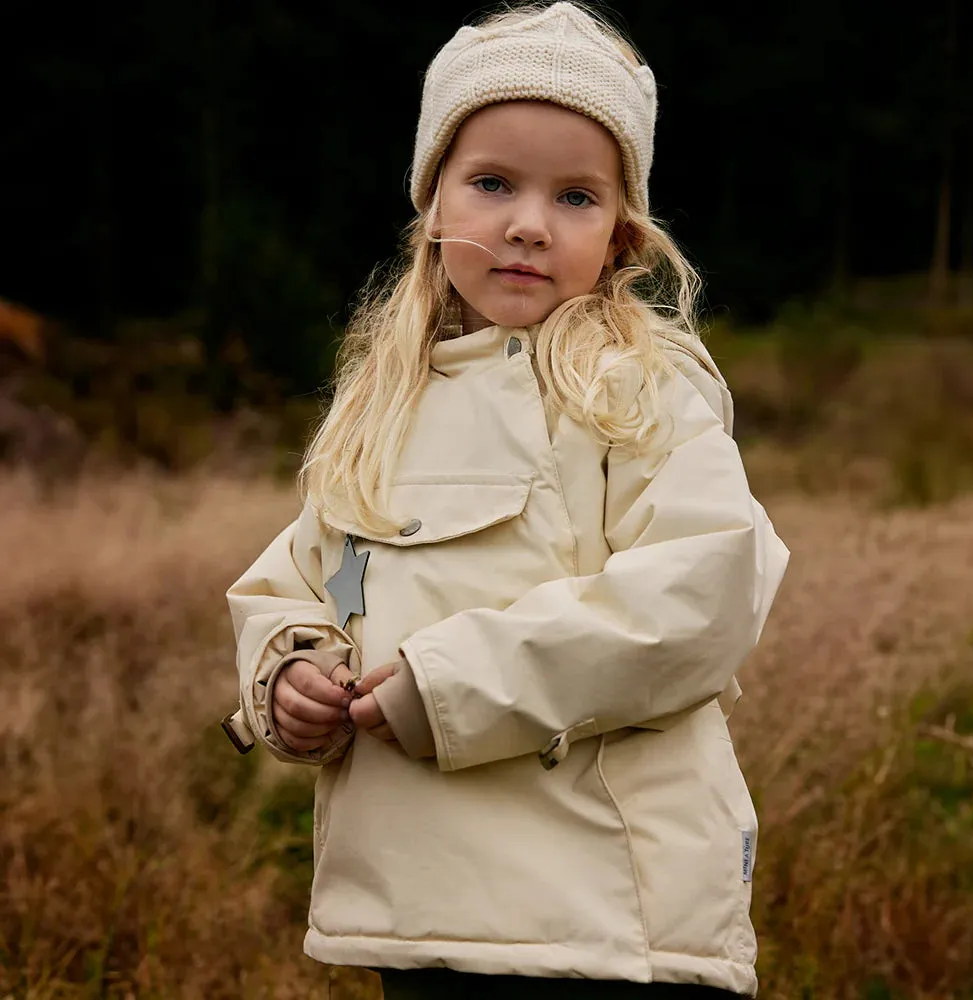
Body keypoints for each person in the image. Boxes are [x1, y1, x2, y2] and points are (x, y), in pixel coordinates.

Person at [225, 3, 789, 997]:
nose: (527, 223)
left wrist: (450, 684)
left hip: (607, 928)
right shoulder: (380, 406)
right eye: (491, 183)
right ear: (432, 205)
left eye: (575, 196)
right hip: (420, 914)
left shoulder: (639, 386)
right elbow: (295, 583)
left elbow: (699, 596)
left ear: (620, 235)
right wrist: (288, 674)